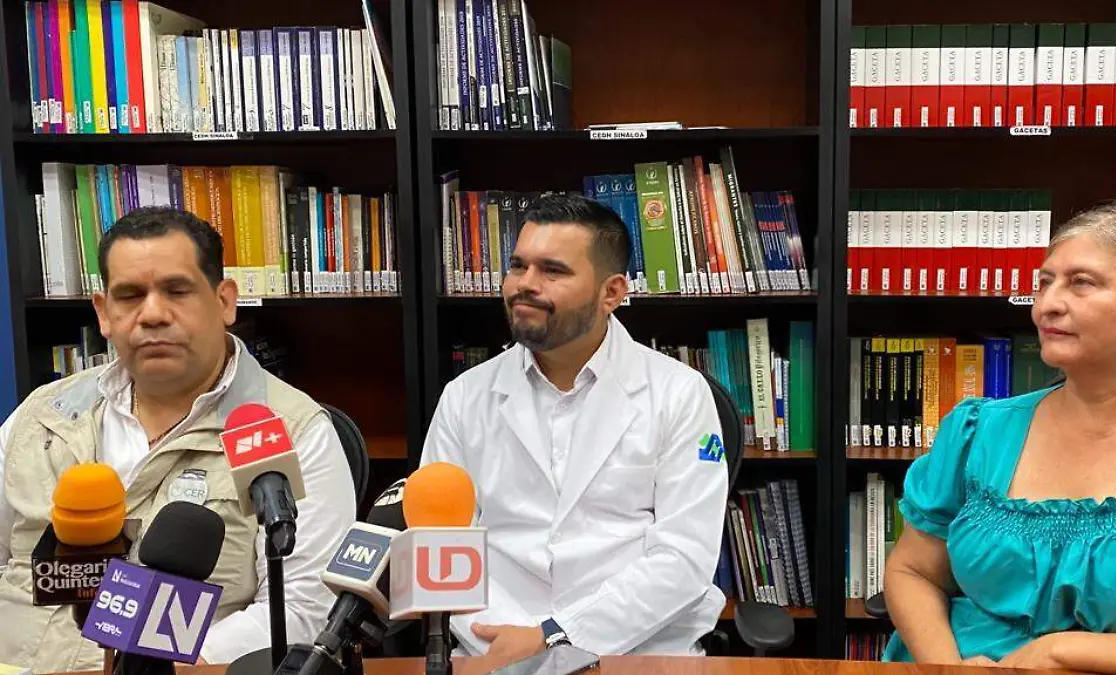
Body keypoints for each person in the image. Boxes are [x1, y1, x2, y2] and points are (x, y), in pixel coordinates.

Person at [0, 207, 357, 671]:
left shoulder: (294, 432)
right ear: (103, 313)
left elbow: (303, 611)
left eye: (177, 290)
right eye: (130, 295)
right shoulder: (43, 415)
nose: (152, 314)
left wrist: (160, 668)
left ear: (224, 301)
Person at [881, 203, 1116, 674]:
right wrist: (948, 666)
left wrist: (1057, 652)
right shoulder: (977, 431)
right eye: (1044, 282)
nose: (1046, 304)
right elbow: (913, 571)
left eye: (1081, 283)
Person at [420, 193, 729, 670]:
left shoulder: (679, 394)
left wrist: (555, 635)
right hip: (493, 649)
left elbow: (683, 559)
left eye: (553, 271)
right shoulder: (465, 397)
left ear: (612, 293)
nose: (525, 284)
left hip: (635, 649)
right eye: (518, 266)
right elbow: (440, 546)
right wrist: (503, 640)